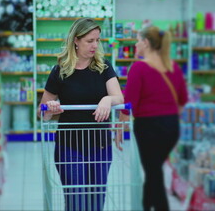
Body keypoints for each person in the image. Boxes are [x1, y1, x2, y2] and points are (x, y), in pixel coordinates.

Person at [37, 18, 124, 211]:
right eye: (90, 41)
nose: (95, 45)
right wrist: (50, 108)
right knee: (76, 200)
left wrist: (107, 100)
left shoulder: (104, 67)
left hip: (100, 145)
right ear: (76, 40)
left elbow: (119, 97)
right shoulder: (60, 71)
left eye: (97, 40)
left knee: (96, 200)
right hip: (69, 145)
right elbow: (41, 113)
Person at [118, 26, 188, 211]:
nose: (135, 43)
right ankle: (146, 206)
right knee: (154, 170)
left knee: (153, 172)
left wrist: (118, 130)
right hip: (171, 127)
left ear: (146, 43)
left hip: (148, 127)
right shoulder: (173, 67)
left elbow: (129, 103)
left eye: (138, 40)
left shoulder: (139, 67)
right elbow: (182, 100)